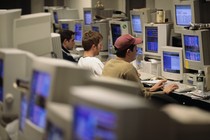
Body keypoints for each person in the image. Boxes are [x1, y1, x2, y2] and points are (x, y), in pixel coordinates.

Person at [102, 34, 178, 97]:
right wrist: (164, 92)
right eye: (136, 49)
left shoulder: (109, 63)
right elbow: (143, 96)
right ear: (128, 51)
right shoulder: (127, 68)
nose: (137, 51)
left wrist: (151, 89)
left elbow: (133, 91)